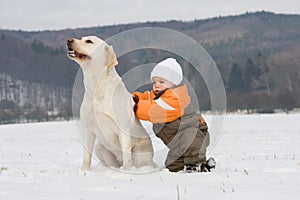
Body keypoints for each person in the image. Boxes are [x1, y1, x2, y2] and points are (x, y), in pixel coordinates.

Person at [132, 58, 214, 173]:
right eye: (154, 82)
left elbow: (155, 110)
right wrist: (135, 98)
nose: (156, 85)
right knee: (173, 166)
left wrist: (136, 106)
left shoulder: (177, 98)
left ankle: (197, 165)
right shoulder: (158, 96)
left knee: (191, 144)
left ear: (173, 83)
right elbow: (146, 97)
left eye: (161, 82)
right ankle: (206, 164)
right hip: (177, 143)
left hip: (195, 132)